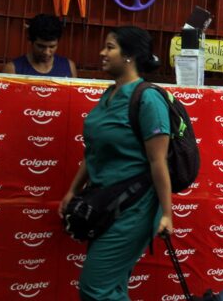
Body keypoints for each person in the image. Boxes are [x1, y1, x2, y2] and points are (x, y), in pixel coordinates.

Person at [58, 26, 171, 300]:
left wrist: (167, 213)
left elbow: (158, 162)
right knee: (114, 287)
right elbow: (94, 151)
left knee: (95, 288)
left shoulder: (148, 99)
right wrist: (73, 190)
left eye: (110, 47)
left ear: (129, 55)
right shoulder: (108, 95)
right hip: (102, 204)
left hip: (134, 208)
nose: (102, 53)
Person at [3, 13, 77, 77]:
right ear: (30, 41)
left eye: (52, 47)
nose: (46, 52)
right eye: (41, 46)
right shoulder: (12, 69)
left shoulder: (69, 67)